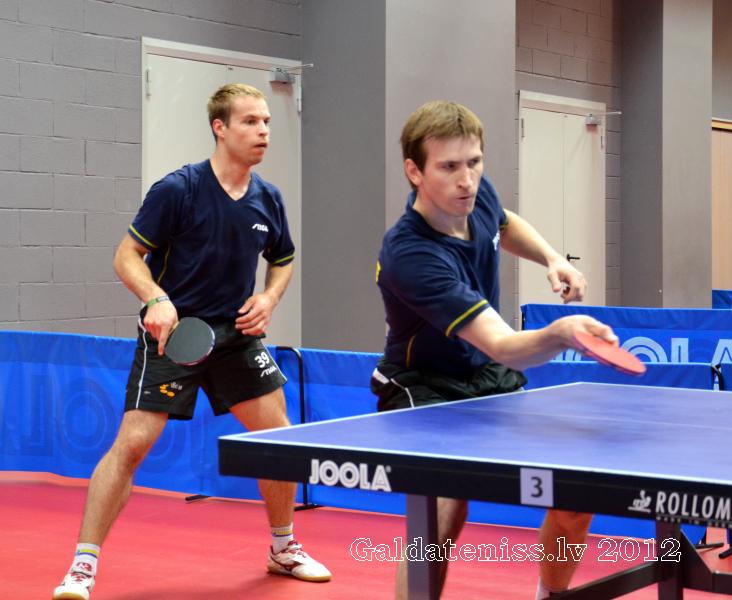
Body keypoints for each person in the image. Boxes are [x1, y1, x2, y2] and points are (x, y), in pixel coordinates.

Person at [53, 84, 330, 600]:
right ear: (220, 128)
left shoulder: (268, 198)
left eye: (267, 122)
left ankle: (283, 548)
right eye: (250, 122)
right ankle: (82, 567)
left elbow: (283, 258)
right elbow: (126, 256)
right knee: (131, 446)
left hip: (236, 337)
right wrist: (156, 298)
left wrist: (269, 298)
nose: (263, 132)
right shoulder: (178, 190)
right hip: (173, 335)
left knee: (280, 440)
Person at [372, 100, 617, 599]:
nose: (466, 180)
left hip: (484, 376)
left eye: (474, 162)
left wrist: (551, 257)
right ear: (414, 171)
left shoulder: (474, 196)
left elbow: (502, 222)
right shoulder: (411, 255)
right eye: (448, 167)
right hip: (426, 385)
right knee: (442, 510)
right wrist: (562, 333)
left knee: (574, 494)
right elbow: (504, 345)